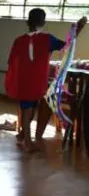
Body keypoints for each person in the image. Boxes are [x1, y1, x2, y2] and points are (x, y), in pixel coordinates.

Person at [5, 8, 86, 152]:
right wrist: (77, 30)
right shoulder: (47, 39)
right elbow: (66, 46)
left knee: (27, 109)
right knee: (29, 109)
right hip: (37, 82)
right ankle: (27, 143)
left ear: (27, 22)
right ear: (44, 22)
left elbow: (11, 61)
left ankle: (24, 136)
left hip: (24, 81)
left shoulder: (19, 40)